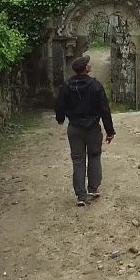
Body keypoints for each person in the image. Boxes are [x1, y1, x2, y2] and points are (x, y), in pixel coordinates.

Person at [55, 55, 116, 206]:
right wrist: (110, 131)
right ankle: (93, 188)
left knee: (78, 160)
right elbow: (104, 109)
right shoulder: (95, 85)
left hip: (75, 127)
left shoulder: (67, 86)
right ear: (86, 68)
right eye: (89, 64)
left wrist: (60, 118)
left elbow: (60, 105)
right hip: (92, 127)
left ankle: (81, 195)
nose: (90, 65)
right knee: (94, 156)